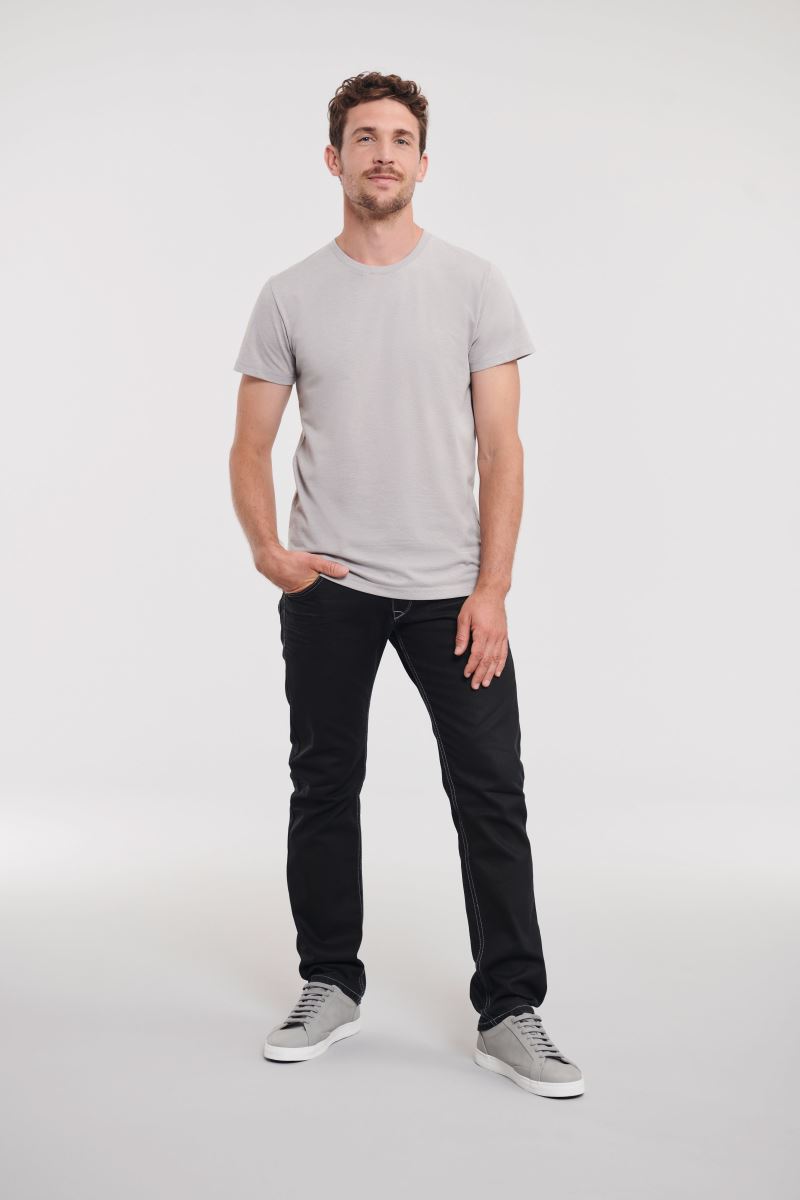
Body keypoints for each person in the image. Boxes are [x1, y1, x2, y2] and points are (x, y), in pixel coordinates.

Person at [229, 70, 584, 1099]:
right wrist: (269, 552)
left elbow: (502, 449)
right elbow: (249, 445)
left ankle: (509, 1009)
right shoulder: (289, 294)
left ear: (423, 163)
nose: (381, 153)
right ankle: (328, 984)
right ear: (332, 158)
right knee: (323, 784)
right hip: (330, 585)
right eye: (362, 137)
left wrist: (492, 588)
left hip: (451, 594)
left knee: (491, 792)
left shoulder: (473, 284)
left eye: (398, 139)